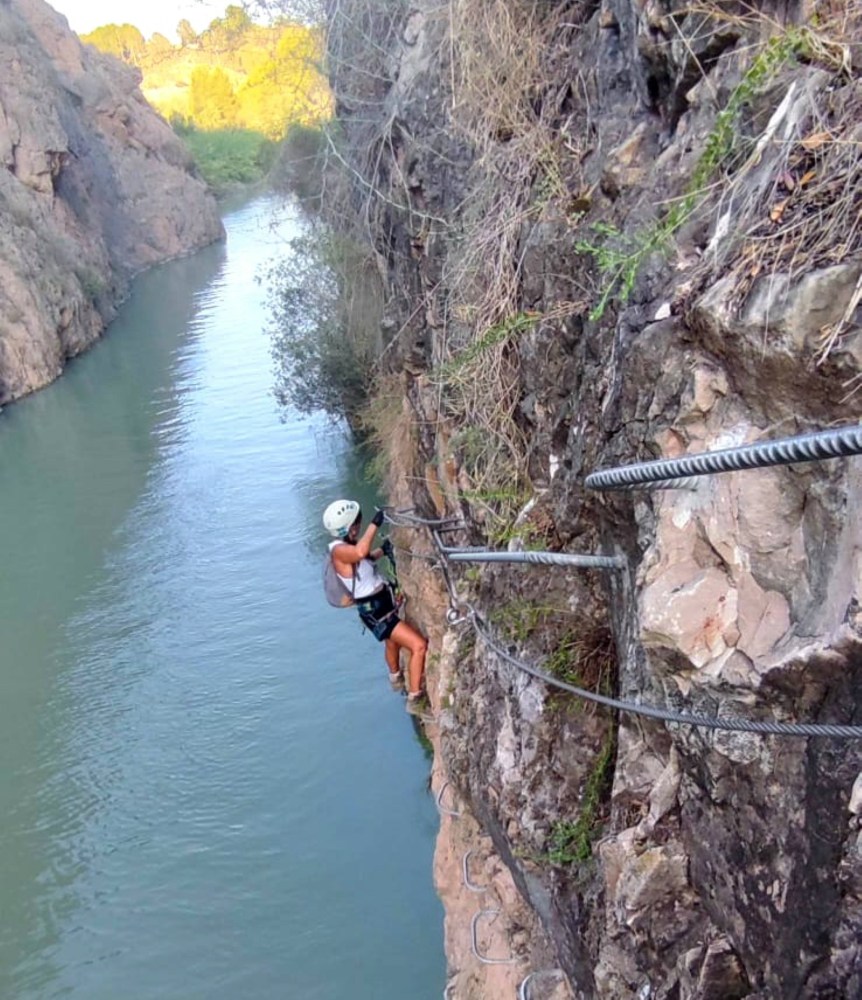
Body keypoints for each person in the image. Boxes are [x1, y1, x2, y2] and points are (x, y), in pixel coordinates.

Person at [323, 499, 428, 712]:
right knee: (418, 646)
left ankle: (395, 677)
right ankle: (415, 699)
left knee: (391, 643)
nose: (359, 527)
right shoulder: (339, 551)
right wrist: (375, 523)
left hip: (379, 606)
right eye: (357, 524)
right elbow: (361, 553)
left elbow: (366, 558)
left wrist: (384, 549)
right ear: (348, 526)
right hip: (377, 611)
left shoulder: (347, 546)